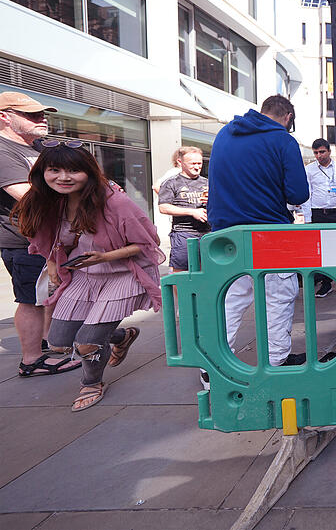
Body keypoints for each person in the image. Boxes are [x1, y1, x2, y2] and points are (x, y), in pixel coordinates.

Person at [12, 142, 164, 411]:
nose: (63, 177)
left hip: (122, 274)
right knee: (58, 341)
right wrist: (51, 266)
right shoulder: (51, 202)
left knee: (87, 341)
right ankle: (120, 336)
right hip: (84, 274)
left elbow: (149, 242)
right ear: (42, 172)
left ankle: (91, 382)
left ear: (89, 172)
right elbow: (55, 242)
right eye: (54, 170)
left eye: (73, 170)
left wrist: (105, 256)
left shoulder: (115, 201)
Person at [207, 95, 309, 374]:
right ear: (288, 117)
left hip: (225, 236)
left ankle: (211, 369)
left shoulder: (225, 133)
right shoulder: (283, 140)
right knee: (278, 295)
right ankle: (277, 361)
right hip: (268, 233)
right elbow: (298, 193)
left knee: (232, 299)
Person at [0, 92, 81, 377]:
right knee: (30, 299)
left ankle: (51, 342)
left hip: (53, 237)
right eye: (32, 115)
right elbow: (26, 196)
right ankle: (31, 360)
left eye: (42, 114)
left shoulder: (37, 147)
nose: (42, 119)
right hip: (25, 240)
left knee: (51, 292)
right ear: (4, 117)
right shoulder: (3, 151)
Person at [158, 146, 210, 271]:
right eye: (193, 164)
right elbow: (163, 207)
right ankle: (181, 292)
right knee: (180, 272)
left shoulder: (207, 182)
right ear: (180, 163)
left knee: (206, 270)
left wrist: (212, 201)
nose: (197, 167)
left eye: (199, 163)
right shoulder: (171, 183)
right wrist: (192, 212)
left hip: (207, 233)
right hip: (183, 234)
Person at [301, 138, 336, 297]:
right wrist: (308, 218)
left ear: (329, 151)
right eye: (316, 152)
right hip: (319, 213)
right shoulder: (309, 170)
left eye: (322, 152)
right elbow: (306, 194)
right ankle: (325, 283)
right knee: (322, 250)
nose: (319, 155)